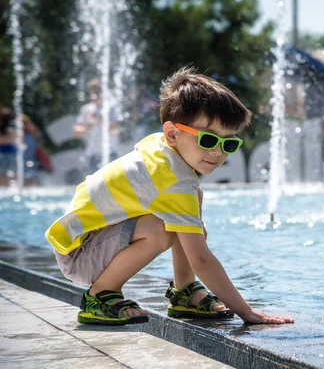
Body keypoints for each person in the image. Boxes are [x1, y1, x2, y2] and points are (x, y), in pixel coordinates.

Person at [46, 67, 294, 326]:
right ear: (173, 133)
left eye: (229, 144)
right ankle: (99, 296)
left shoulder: (162, 150)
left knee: (189, 206)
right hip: (80, 256)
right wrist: (248, 313)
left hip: (87, 243)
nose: (219, 153)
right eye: (208, 140)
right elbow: (201, 259)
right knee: (162, 229)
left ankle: (185, 291)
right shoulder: (172, 181)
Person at [73, 78, 121, 174]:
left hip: (110, 152)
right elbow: (76, 132)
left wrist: (102, 119)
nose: (94, 96)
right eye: (92, 93)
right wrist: (88, 126)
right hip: (92, 153)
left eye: (97, 93)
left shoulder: (111, 108)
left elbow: (116, 130)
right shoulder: (86, 109)